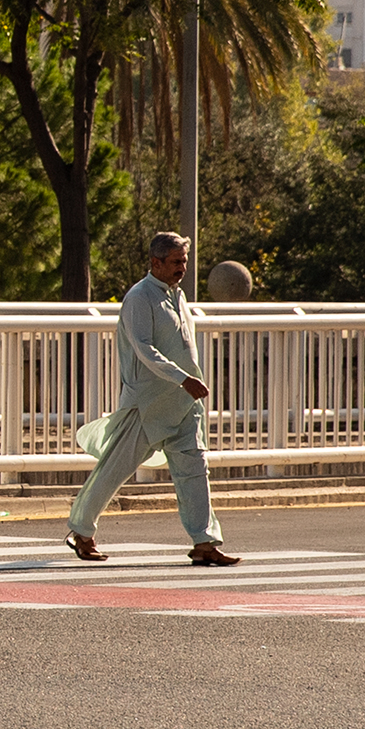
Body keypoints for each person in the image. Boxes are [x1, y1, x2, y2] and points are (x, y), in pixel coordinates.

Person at [65, 231, 239, 567]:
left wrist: (188, 384)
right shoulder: (139, 298)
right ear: (155, 262)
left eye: (184, 261)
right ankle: (81, 531)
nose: (182, 268)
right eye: (175, 262)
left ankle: (204, 543)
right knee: (113, 471)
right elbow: (145, 350)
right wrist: (183, 378)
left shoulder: (178, 295)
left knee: (194, 470)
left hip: (184, 404)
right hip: (146, 404)